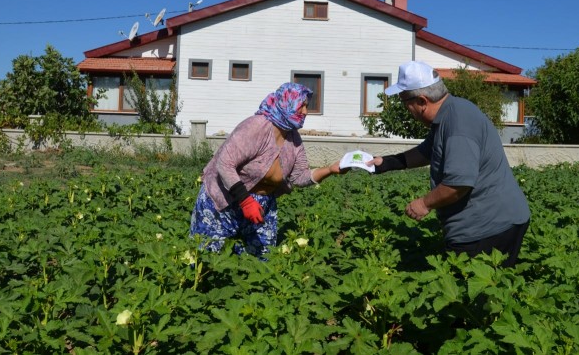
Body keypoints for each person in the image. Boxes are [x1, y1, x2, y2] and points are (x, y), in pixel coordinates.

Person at [368, 61, 530, 267]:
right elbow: (425, 152)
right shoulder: (449, 114)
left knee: (470, 286)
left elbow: (458, 183)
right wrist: (386, 163)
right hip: (490, 223)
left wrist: (424, 204)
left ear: (422, 101)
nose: (405, 108)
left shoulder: (458, 122)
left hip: (488, 228)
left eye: (404, 102)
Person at [190, 82, 346, 257]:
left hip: (261, 206)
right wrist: (246, 201)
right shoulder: (256, 126)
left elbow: (299, 176)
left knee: (261, 262)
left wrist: (330, 169)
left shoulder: (293, 138)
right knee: (208, 258)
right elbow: (225, 163)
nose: (305, 112)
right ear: (287, 104)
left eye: (306, 107)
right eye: (301, 106)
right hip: (226, 200)